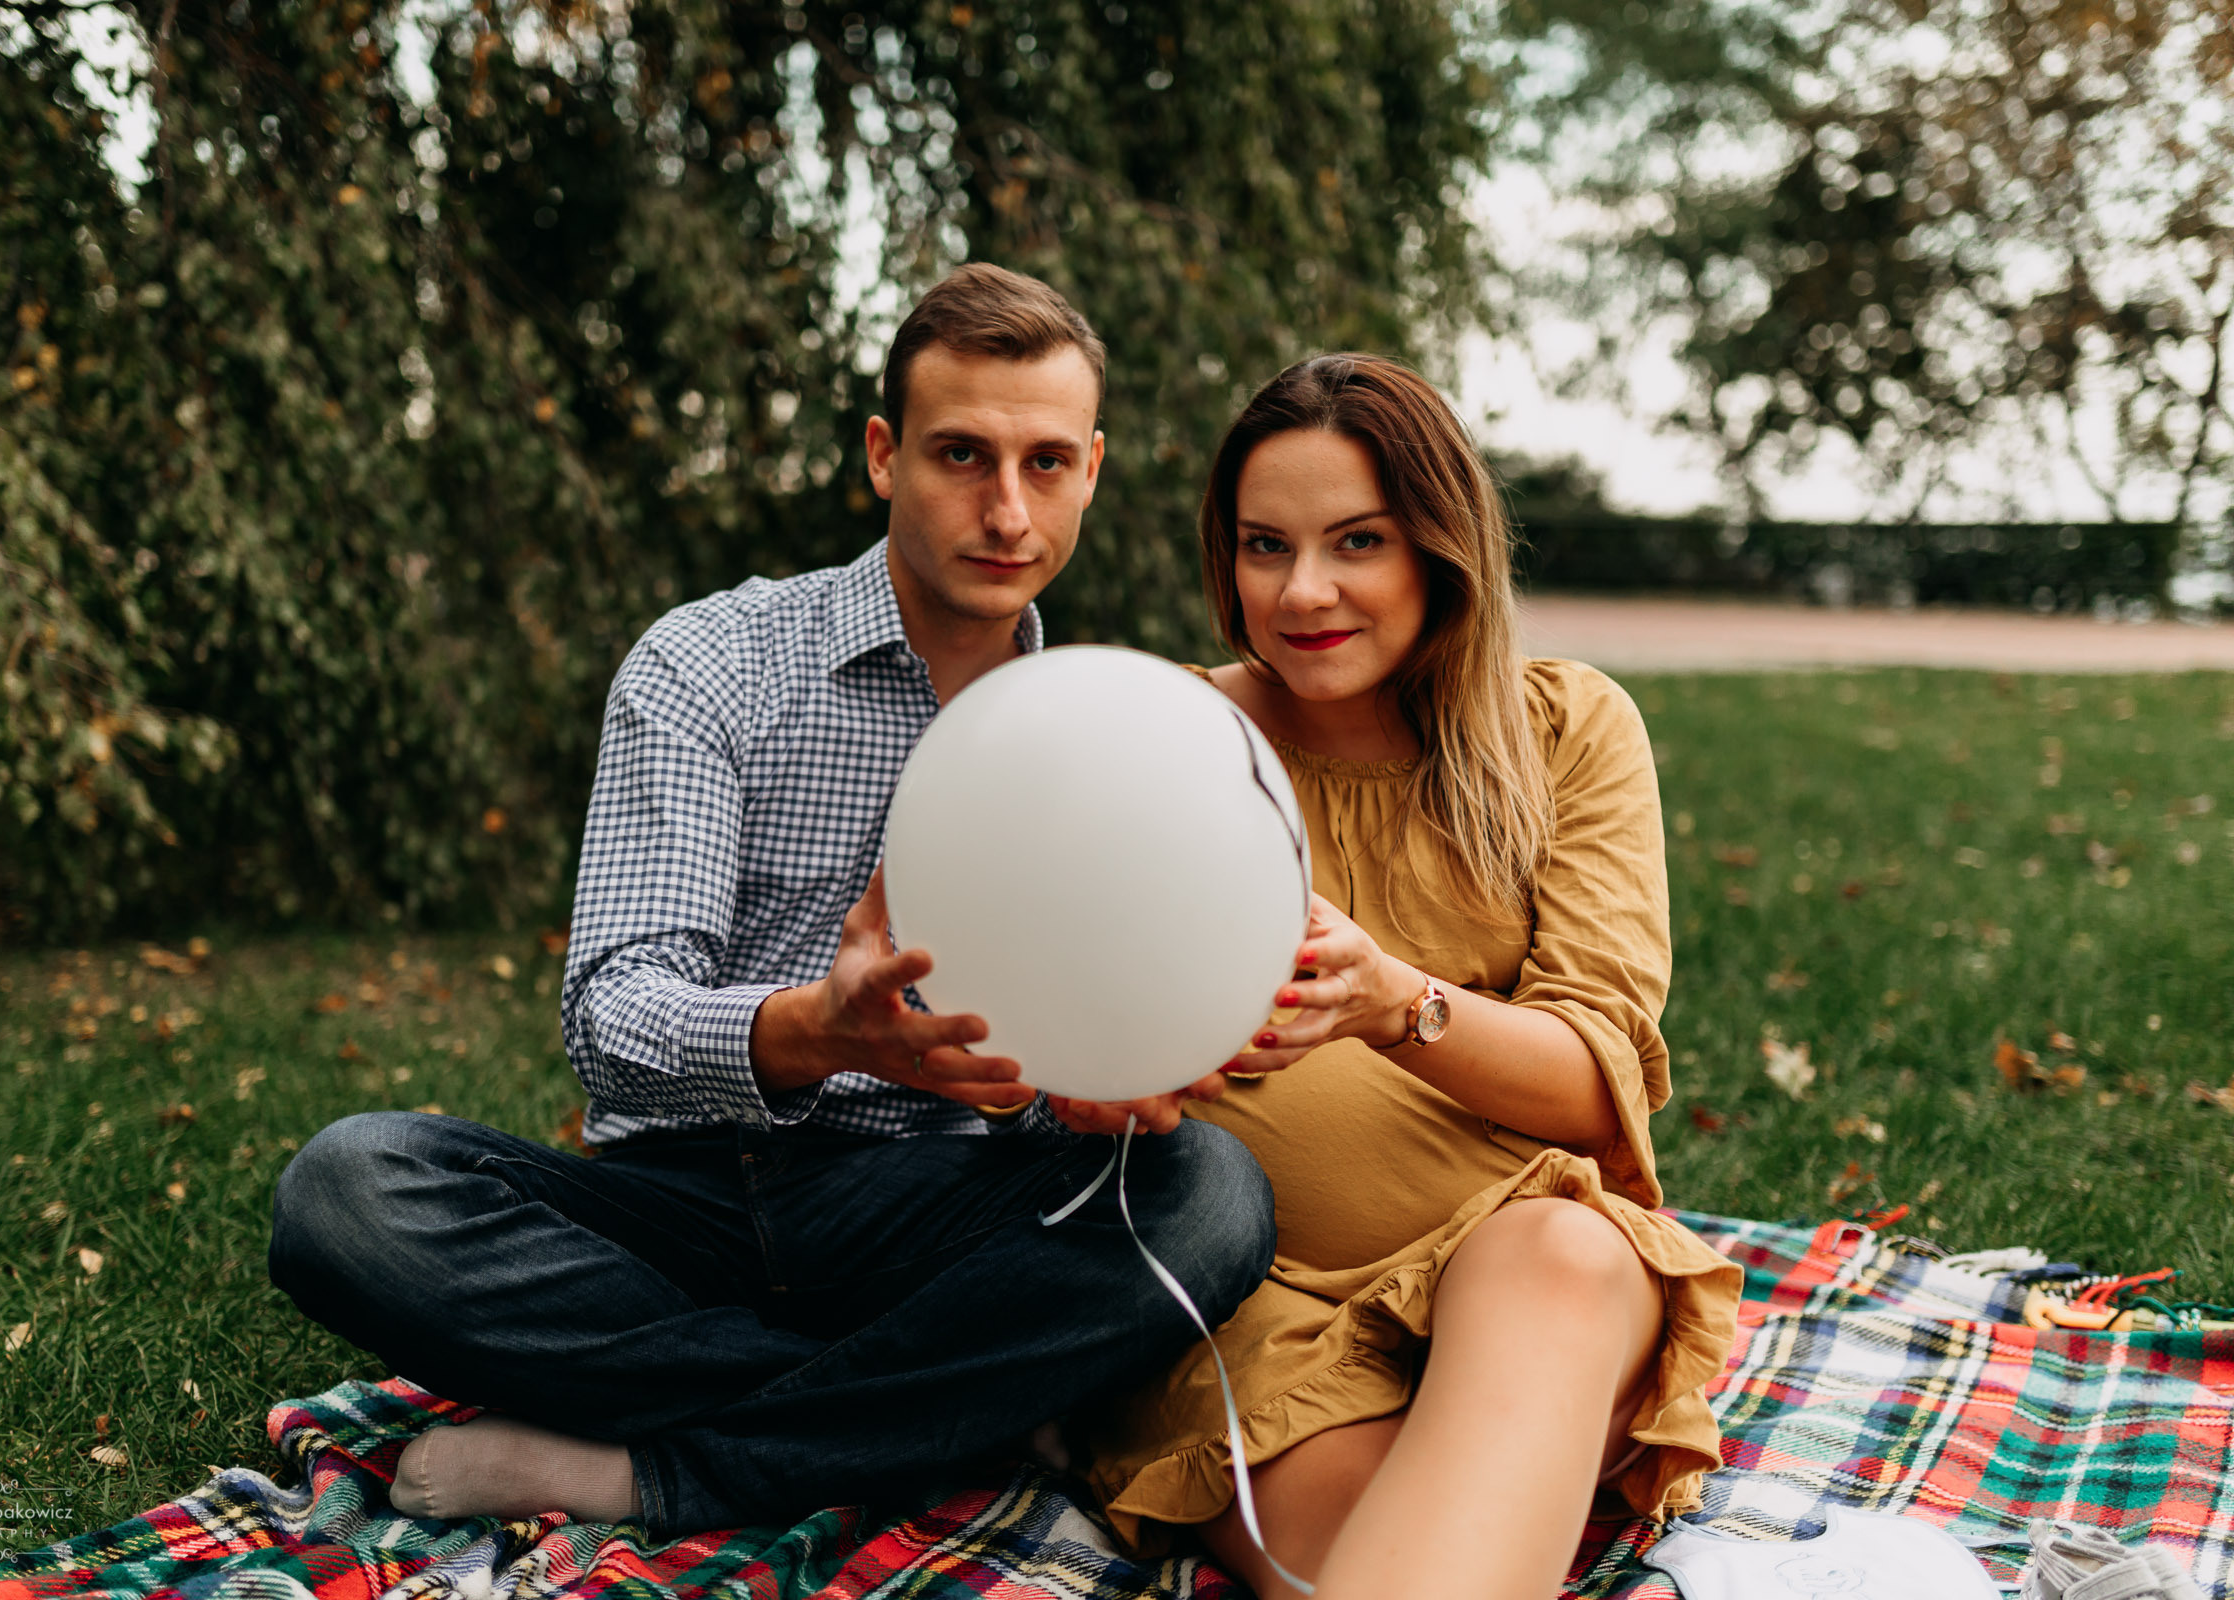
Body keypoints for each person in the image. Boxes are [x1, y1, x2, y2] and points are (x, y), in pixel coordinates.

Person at [267, 264, 1275, 1539]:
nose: (1007, 508)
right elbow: (611, 1025)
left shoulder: (1106, 728)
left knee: (1211, 1195)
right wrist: (816, 1029)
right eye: (961, 454)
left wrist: (1108, 1071)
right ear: (881, 456)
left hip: (930, 1206)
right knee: (347, 1190)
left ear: (1094, 469)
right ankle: (941, 1402)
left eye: (1048, 462)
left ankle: (656, 1468)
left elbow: (1075, 1050)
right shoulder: (710, 662)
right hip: (674, 1204)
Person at [1082, 353, 1743, 1600]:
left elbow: (1600, 1084)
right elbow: (1039, 1029)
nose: (1303, 590)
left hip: (1517, 1268)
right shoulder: (1164, 735)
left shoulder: (1565, 732)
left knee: (1555, 1258)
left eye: (1358, 542)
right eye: (1263, 546)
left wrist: (1396, 1002)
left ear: (1441, 547)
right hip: (1253, 1308)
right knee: (1379, 1562)